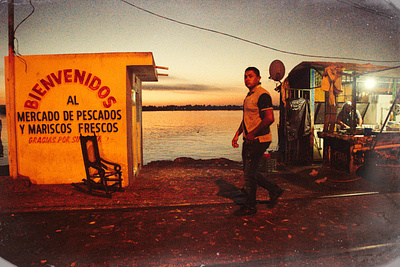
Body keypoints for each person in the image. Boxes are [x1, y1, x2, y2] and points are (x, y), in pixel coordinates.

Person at [231, 67, 283, 216]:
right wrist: (237, 135)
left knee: (249, 173)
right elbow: (246, 119)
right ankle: (274, 189)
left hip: (260, 139)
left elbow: (269, 118)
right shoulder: (249, 96)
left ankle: (250, 205)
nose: (247, 79)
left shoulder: (263, 95)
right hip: (251, 139)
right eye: (245, 76)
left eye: (251, 76)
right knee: (250, 172)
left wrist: (253, 133)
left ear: (258, 78)